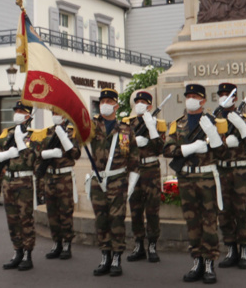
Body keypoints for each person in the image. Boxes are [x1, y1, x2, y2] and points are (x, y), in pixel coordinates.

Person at [163, 83, 228, 284]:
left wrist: (214, 135)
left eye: (194, 96)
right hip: (186, 178)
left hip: (206, 178)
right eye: (188, 95)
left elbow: (223, 153)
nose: (190, 99)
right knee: (192, 222)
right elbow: (167, 149)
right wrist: (189, 148)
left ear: (203, 100)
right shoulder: (178, 123)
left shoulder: (215, 122)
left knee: (209, 221)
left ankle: (209, 263)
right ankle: (197, 261)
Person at [88, 89, 139, 277]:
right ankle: (105, 256)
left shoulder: (125, 130)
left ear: (116, 106)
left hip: (117, 180)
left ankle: (117, 256)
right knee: (101, 220)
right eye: (102, 101)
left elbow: (133, 158)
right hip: (98, 180)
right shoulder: (92, 127)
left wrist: (132, 181)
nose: (104, 105)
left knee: (116, 219)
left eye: (109, 101)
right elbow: (79, 137)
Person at [214, 83, 246, 270]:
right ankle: (231, 249)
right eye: (221, 94)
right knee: (224, 212)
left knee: (241, 211)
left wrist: (243, 129)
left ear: (235, 98)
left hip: (240, 172)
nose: (224, 97)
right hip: (221, 171)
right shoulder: (213, 120)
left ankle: (244, 251)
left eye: (228, 95)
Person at [125, 91, 166, 263]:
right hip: (134, 170)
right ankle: (139, 244)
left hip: (150, 170)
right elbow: (123, 148)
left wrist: (152, 130)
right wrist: (134, 142)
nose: (139, 104)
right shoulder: (128, 124)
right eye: (137, 101)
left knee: (152, 210)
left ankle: (152, 245)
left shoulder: (158, 123)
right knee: (135, 209)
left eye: (143, 102)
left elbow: (161, 149)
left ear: (149, 106)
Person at [0, 101, 38, 271]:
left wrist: (21, 145)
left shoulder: (35, 135)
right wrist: (4, 155)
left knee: (25, 218)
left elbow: (33, 159)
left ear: (28, 115)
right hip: (8, 181)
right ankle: (17, 251)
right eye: (16, 110)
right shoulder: (7, 134)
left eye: (21, 111)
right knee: (12, 219)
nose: (17, 114)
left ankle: (28, 254)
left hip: (24, 181)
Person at [37, 113, 80, 261]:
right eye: (54, 113)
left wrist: (64, 138)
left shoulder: (71, 132)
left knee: (65, 211)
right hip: (49, 177)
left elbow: (76, 154)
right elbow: (38, 155)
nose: (56, 116)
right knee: (52, 212)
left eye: (59, 114)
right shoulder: (45, 133)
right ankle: (57, 243)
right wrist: (46, 153)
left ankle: (67, 243)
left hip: (64, 178)